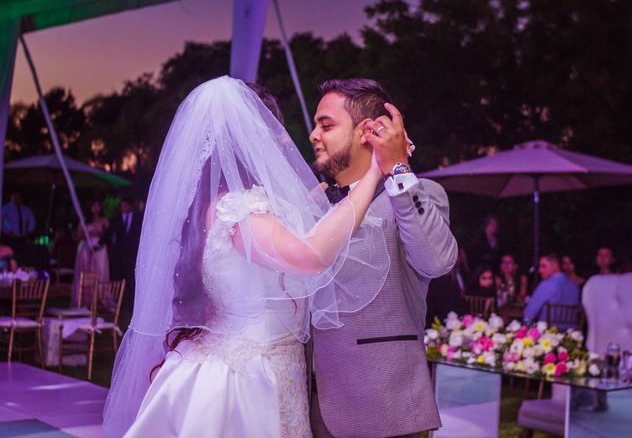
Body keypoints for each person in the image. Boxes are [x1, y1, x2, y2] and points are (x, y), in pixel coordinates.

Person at [103, 77, 390, 437]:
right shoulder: (237, 209)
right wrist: (378, 169)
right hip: (244, 381)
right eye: (273, 131)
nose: (285, 140)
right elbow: (311, 255)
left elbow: (299, 230)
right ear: (245, 141)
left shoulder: (255, 208)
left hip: (277, 370)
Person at [308, 78, 458, 438]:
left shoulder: (416, 195)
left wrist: (399, 170)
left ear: (368, 131)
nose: (313, 134)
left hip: (381, 405)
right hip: (309, 407)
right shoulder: (315, 203)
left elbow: (438, 261)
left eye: (326, 125)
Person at [523, 253, 580, 325]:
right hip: (571, 334)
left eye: (543, 266)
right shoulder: (575, 287)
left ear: (555, 266)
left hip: (549, 333)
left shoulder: (546, 285)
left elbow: (528, 314)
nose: (540, 270)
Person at [72, 200, 110, 306]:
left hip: (100, 249)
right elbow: (78, 237)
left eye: (98, 205)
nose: (96, 208)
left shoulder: (104, 220)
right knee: (86, 272)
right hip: (86, 250)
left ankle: (100, 298)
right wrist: (88, 234)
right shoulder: (84, 221)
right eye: (94, 205)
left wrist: (100, 235)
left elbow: (108, 235)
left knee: (99, 271)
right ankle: (83, 299)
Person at [110, 195, 142, 310]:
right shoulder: (116, 219)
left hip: (132, 256)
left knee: (132, 281)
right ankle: (117, 304)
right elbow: (110, 234)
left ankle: (132, 305)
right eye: (122, 205)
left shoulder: (138, 218)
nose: (123, 207)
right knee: (117, 280)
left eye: (125, 205)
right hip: (119, 256)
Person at [1, 192, 36, 258]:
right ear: (12, 197)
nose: (17, 199)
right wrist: (7, 231)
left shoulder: (26, 209)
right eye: (15, 197)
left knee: (22, 256)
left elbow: (32, 221)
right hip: (10, 237)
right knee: (10, 256)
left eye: (19, 197)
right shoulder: (6, 209)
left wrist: (28, 231)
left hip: (22, 237)